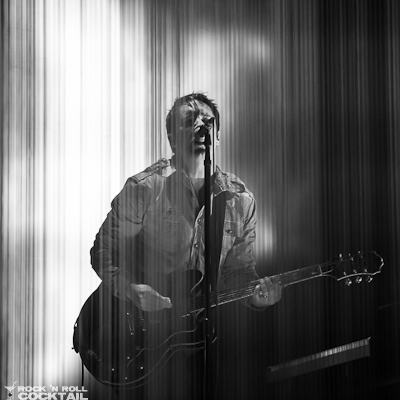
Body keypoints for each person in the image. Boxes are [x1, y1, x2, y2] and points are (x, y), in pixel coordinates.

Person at [90, 93, 282, 399]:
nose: (200, 126)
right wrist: (131, 290)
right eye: (188, 121)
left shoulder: (240, 201)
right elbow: (103, 251)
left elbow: (236, 272)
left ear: (218, 135)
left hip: (195, 344)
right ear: (172, 139)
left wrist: (258, 297)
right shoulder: (145, 189)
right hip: (137, 339)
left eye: (207, 121)